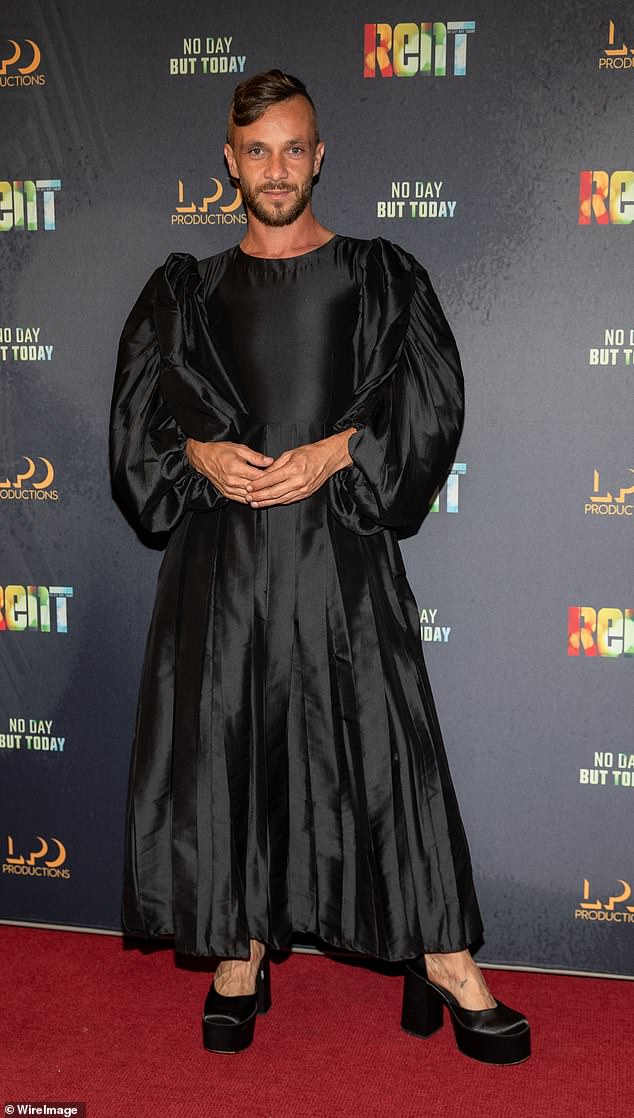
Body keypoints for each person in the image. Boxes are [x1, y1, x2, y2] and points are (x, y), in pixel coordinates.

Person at [110, 69, 530, 1064]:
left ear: (319, 156)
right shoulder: (182, 292)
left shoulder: (377, 276)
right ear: (230, 161)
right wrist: (198, 454)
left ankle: (445, 958)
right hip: (221, 569)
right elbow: (136, 446)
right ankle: (240, 951)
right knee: (228, 748)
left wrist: (341, 448)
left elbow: (430, 407)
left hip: (340, 555)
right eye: (256, 151)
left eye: (292, 149)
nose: (275, 169)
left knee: (390, 753)